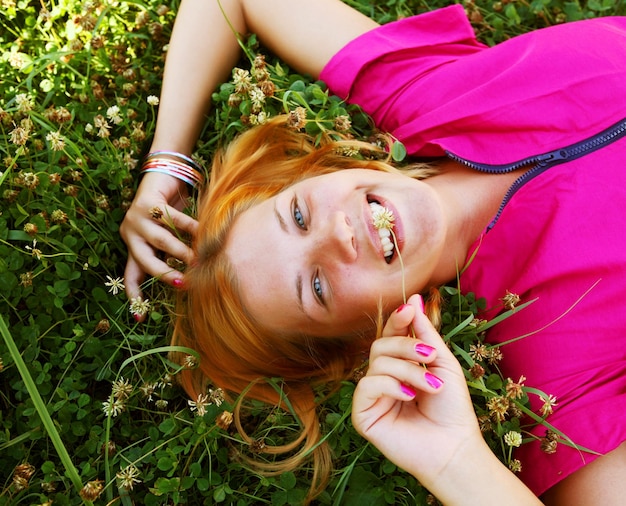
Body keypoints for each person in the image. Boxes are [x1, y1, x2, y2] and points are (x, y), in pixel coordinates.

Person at [119, 0, 626, 504]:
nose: (337, 233)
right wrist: (454, 461)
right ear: (360, 340)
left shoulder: (424, 93)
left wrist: (167, 163)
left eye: (297, 215)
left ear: (316, 173)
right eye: (316, 287)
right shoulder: (555, 364)